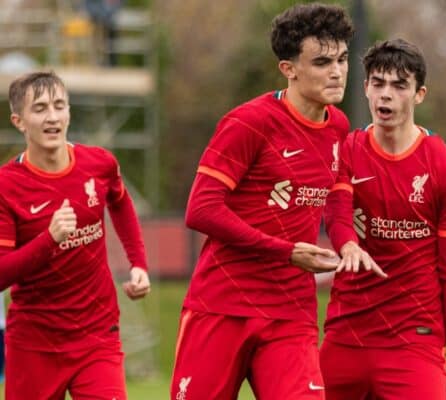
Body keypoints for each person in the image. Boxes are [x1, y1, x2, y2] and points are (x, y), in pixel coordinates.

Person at [170, 3, 354, 400]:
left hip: (292, 312)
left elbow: (337, 197)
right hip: (222, 305)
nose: (337, 71)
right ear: (288, 68)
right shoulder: (248, 123)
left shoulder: (338, 126)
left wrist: (348, 244)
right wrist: (286, 252)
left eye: (342, 59)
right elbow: (200, 209)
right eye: (322, 62)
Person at [321, 38, 446, 400]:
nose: (385, 95)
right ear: (367, 87)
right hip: (347, 333)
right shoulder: (348, 150)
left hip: (414, 338)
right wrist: (349, 245)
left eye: (399, 86)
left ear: (419, 94)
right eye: (378, 83)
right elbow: (337, 214)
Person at [0, 71, 150, 399]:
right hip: (35, 343)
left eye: (59, 106)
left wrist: (138, 263)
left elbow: (121, 203)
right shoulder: (6, 186)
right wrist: (48, 239)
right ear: (19, 121)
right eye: (39, 109)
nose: (52, 117)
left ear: (69, 112)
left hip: (98, 335)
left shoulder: (99, 164)